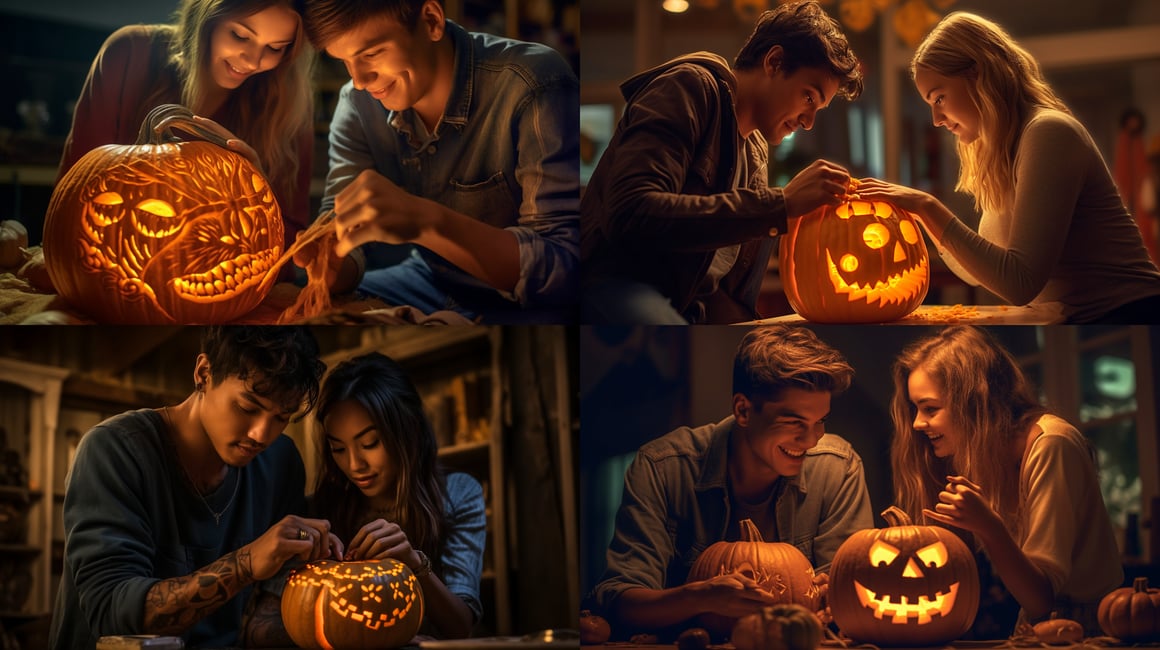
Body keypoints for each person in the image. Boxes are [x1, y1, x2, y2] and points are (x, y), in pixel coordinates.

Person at [854, 13, 1160, 323]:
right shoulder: (1008, 149)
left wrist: (927, 206)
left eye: (940, 98)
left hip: (1132, 316)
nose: (936, 119)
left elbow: (1019, 283)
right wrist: (919, 215)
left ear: (978, 73)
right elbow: (979, 274)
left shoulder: (1048, 132)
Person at [49, 327, 334, 650]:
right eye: (247, 407)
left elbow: (274, 609)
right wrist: (245, 563)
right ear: (204, 373)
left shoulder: (281, 463)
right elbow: (112, 615)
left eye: (282, 417)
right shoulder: (114, 450)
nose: (261, 434)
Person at [580, 0, 864, 324]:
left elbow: (719, 286)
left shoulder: (755, 147)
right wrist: (780, 205)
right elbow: (630, 212)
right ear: (774, 62)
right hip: (615, 286)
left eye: (818, 108)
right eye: (809, 97)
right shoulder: (689, 88)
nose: (809, 121)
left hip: (689, 308)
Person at [297, 0, 579, 323]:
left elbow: (564, 268)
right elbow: (338, 230)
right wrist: (332, 267)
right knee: (313, 314)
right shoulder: (358, 104)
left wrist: (425, 221)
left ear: (431, 21)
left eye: (371, 54)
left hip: (522, 304)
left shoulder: (534, 84)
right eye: (345, 61)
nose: (359, 79)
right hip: (430, 279)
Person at [591, 325, 873, 638]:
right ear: (743, 410)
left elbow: (854, 595)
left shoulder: (838, 467)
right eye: (794, 423)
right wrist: (699, 597)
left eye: (820, 421)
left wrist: (835, 599)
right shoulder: (663, 468)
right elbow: (619, 601)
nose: (810, 440)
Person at [889, 325, 1123, 636]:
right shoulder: (981, 454)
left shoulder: (1052, 445)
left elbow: (1042, 598)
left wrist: (988, 526)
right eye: (915, 409)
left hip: (1090, 630)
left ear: (974, 402)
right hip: (1034, 629)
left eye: (930, 408)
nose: (917, 423)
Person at [58, 0, 315, 280]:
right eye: (240, 36)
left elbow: (291, 252)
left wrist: (259, 190)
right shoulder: (130, 53)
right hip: (111, 275)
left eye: (275, 48)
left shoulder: (289, 105)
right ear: (207, 19)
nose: (252, 61)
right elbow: (74, 197)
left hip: (222, 280)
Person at [309, 352, 485, 639]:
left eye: (370, 443)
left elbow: (461, 625)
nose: (354, 465)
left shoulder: (458, 493)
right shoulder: (325, 505)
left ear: (407, 430)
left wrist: (415, 564)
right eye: (338, 449)